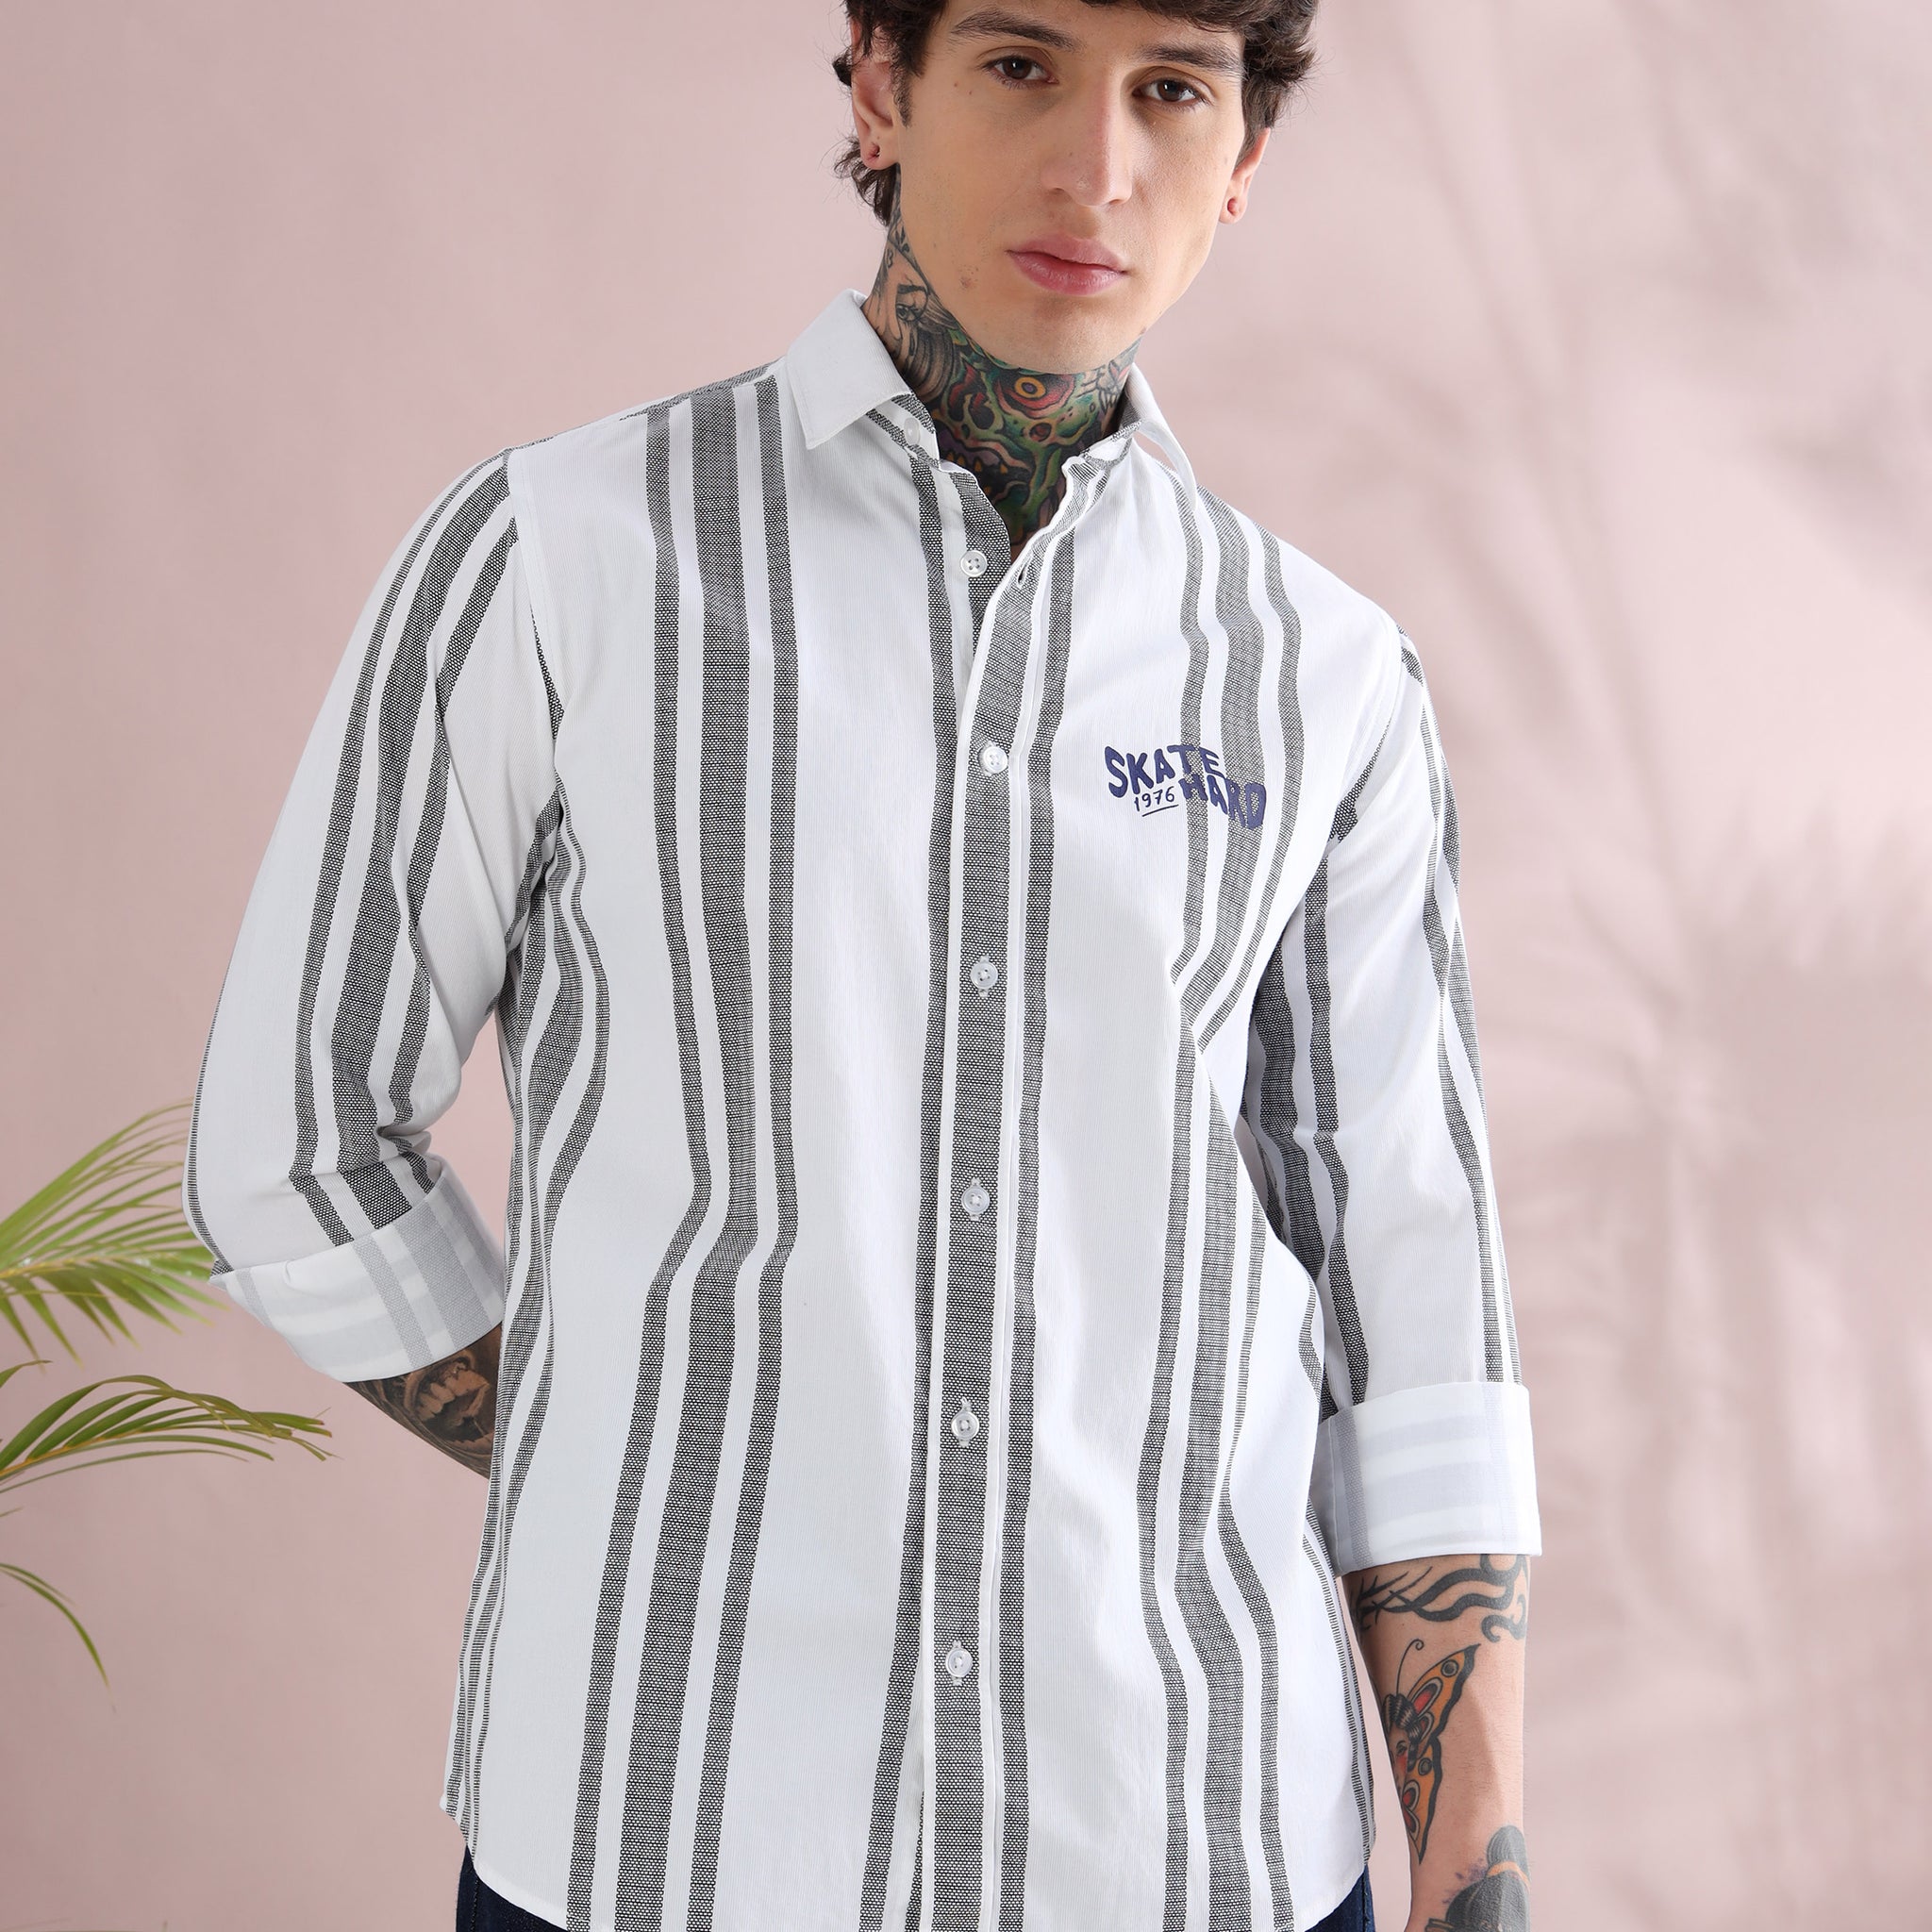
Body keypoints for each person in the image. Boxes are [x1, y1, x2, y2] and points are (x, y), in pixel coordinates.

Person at [182, 4, 1541, 1928]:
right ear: (883, 84)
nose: (1097, 168)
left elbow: (1413, 1303)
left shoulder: (1322, 677)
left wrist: (1477, 1859)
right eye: (1020, 65)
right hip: (666, 1845)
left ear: (1244, 159)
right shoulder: (559, 556)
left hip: (1191, 1845)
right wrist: (630, 1462)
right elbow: (298, 1144)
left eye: (1170, 90)